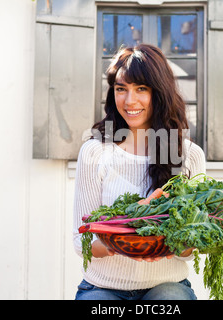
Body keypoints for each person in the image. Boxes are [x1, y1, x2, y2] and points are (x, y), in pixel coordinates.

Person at [73, 44, 206, 300]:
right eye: (121, 89)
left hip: (167, 283)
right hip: (102, 286)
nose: (129, 101)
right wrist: (119, 243)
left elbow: (189, 249)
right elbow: (82, 242)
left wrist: (185, 242)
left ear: (160, 92)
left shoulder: (189, 155)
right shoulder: (95, 152)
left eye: (141, 89)